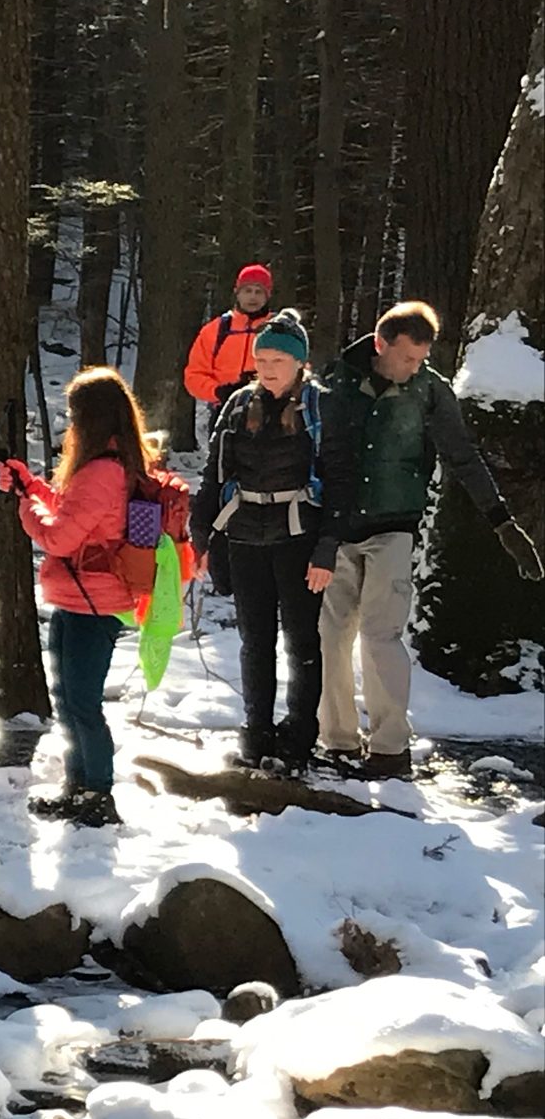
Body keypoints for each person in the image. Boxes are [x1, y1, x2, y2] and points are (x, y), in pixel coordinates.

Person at [311, 300, 545, 780]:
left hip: (394, 526)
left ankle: (389, 749)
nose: (413, 368)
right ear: (381, 345)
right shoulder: (336, 385)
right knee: (333, 637)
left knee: (381, 636)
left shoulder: (430, 392)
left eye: (420, 359)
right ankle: (336, 741)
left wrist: (501, 521)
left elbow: (463, 457)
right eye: (406, 359)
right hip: (336, 528)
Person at [0, 367, 160, 829]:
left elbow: (58, 539)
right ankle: (78, 788)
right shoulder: (109, 466)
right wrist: (32, 486)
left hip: (95, 603)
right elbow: (73, 513)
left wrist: (24, 506)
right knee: (69, 699)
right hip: (80, 599)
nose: (70, 424)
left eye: (74, 414)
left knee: (83, 703)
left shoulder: (102, 472)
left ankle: (98, 795)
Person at [192, 311, 325, 771]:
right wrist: (201, 534)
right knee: (255, 640)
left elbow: (341, 481)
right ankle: (256, 731)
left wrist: (327, 549)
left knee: (302, 642)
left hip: (298, 539)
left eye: (279, 360)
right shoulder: (237, 405)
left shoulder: (319, 407)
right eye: (262, 358)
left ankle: (300, 738)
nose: (268, 368)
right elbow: (214, 473)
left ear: (300, 363)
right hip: (245, 535)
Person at [184, 262, 276, 417]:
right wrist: (218, 392)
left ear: (268, 296)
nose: (252, 297)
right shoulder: (215, 330)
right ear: (237, 292)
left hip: (270, 410)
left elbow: (298, 370)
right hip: (225, 411)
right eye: (247, 290)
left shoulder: (278, 329)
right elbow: (194, 375)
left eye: (259, 292)